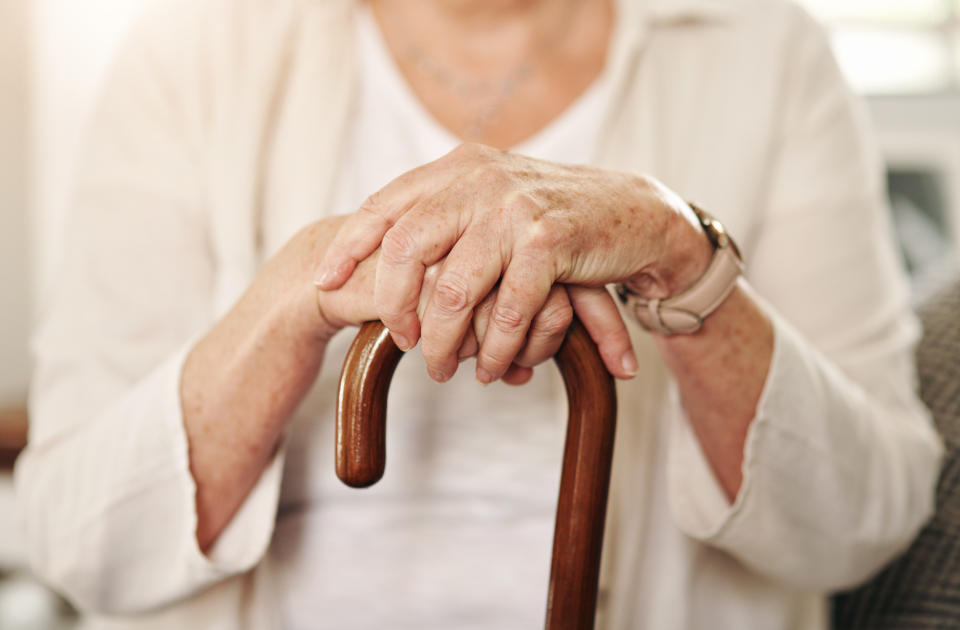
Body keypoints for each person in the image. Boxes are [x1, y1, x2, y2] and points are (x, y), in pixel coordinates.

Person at [15, 0, 944, 627]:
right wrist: (306, 285)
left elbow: (862, 519)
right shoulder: (198, 49)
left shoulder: (765, 48)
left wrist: (678, 250)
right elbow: (78, 534)